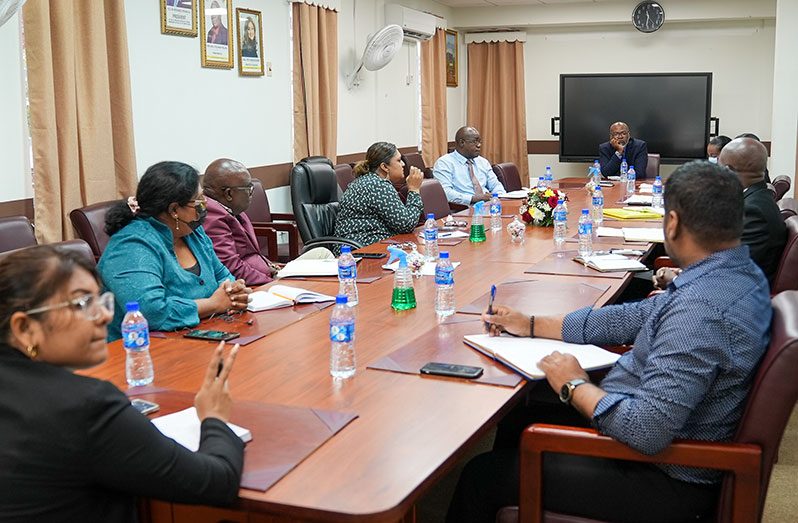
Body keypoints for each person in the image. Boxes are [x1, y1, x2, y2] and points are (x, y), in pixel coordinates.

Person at [447, 161, 771, 523]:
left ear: (674, 223)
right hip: (650, 433)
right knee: (518, 420)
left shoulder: (701, 311)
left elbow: (645, 430)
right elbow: (627, 319)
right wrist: (531, 323)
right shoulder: (734, 274)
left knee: (482, 476)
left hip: (663, 476)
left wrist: (573, 385)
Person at [0, 245, 244, 521]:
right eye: (82, 304)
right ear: (24, 328)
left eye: (100, 301)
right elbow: (217, 482)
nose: (104, 315)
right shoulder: (87, 407)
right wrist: (214, 418)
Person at [99, 161, 251, 341]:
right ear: (174, 210)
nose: (205, 205)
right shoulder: (131, 245)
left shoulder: (192, 232)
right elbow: (150, 311)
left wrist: (235, 292)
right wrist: (212, 304)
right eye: (199, 200)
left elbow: (223, 276)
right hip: (138, 350)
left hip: (202, 335)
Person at [202, 158, 332, 286]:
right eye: (248, 188)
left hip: (269, 273)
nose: (251, 194)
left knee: (321, 253)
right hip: (258, 285)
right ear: (229, 194)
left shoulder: (229, 209)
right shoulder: (213, 218)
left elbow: (250, 253)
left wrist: (272, 266)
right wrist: (273, 282)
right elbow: (232, 269)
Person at [333, 142, 424, 252]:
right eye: (399, 160)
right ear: (384, 167)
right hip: (359, 250)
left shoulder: (372, 181)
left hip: (369, 245)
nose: (403, 164)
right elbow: (406, 224)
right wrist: (414, 190)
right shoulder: (376, 185)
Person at [433, 126, 506, 205]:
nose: (479, 145)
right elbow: (446, 193)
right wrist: (474, 198)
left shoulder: (483, 162)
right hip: (464, 208)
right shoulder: (444, 163)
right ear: (462, 143)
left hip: (489, 205)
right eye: (475, 141)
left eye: (480, 142)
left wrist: (498, 197)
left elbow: (495, 185)